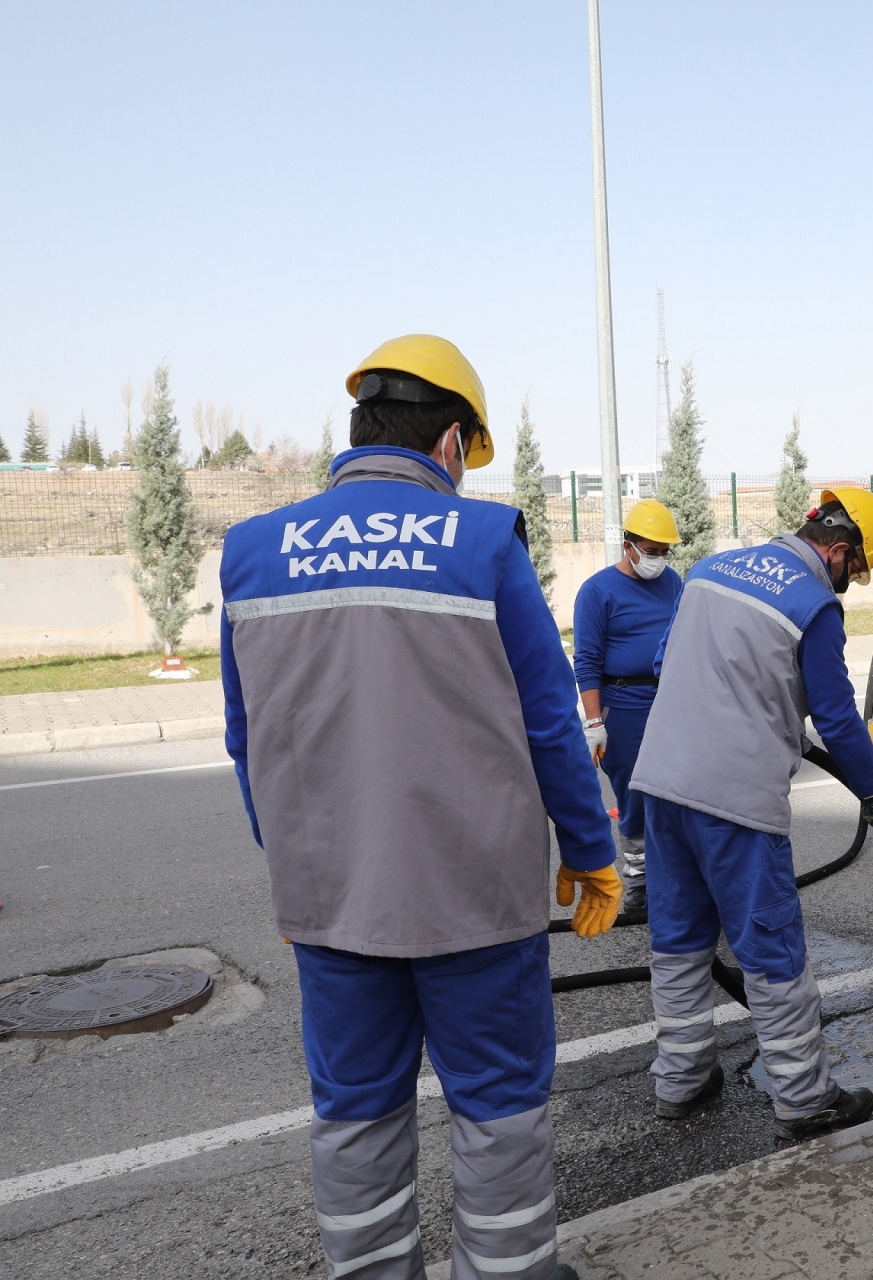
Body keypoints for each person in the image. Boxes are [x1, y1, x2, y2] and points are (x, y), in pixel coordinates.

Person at [220, 334, 616, 1280]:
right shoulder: (482, 542)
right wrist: (590, 848)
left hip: (332, 904)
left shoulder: (252, 550)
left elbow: (248, 739)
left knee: (355, 1110)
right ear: (449, 444)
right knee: (498, 1103)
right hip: (472, 899)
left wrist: (295, 869)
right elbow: (550, 720)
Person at [633, 490, 873, 1138]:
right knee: (771, 949)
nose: (847, 584)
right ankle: (805, 1098)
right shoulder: (813, 602)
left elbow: (662, 662)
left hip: (662, 782)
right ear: (839, 550)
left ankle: (681, 1077)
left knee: (679, 937)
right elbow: (836, 715)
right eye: (854, 572)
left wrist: (767, 710)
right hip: (735, 799)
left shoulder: (709, 570)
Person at [573, 499, 682, 914]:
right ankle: (639, 880)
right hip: (624, 705)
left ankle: (673, 873)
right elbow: (586, 661)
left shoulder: (672, 583)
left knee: (674, 792)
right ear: (628, 545)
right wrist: (595, 722)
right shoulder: (598, 591)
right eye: (649, 551)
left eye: (663, 551)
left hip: (668, 701)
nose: (657, 559)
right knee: (634, 794)